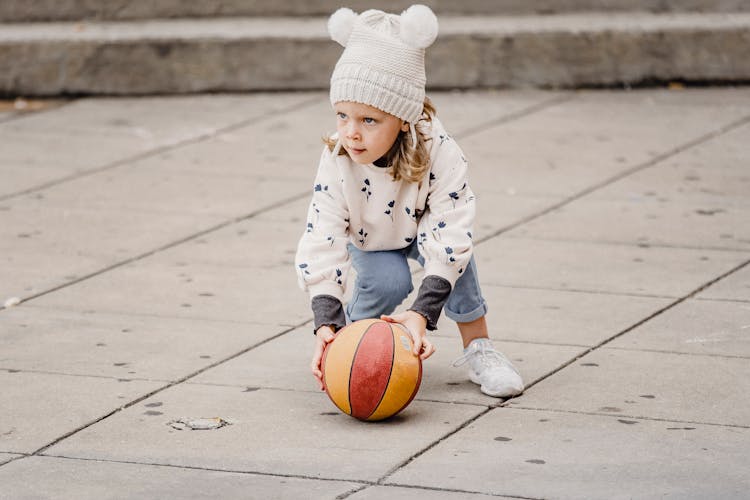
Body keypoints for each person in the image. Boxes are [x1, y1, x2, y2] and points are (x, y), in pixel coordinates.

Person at [295, 5, 524, 398]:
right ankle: (351, 345)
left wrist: (421, 315)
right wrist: (326, 325)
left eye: (369, 120)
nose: (351, 133)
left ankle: (479, 348)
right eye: (342, 116)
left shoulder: (440, 149)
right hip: (371, 238)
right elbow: (322, 238)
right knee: (388, 281)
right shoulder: (337, 158)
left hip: (424, 228)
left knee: (457, 261)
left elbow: (451, 230)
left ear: (403, 118)